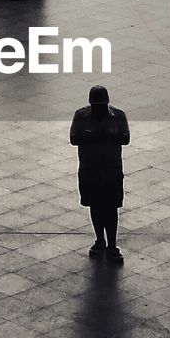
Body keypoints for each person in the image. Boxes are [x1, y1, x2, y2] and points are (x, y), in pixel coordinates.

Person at [70, 85, 129, 264]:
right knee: (95, 206)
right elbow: (74, 138)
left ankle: (111, 244)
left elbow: (125, 138)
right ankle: (100, 240)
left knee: (111, 208)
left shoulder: (118, 116)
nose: (99, 110)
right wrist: (101, 136)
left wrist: (101, 136)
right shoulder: (80, 116)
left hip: (110, 170)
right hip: (90, 169)